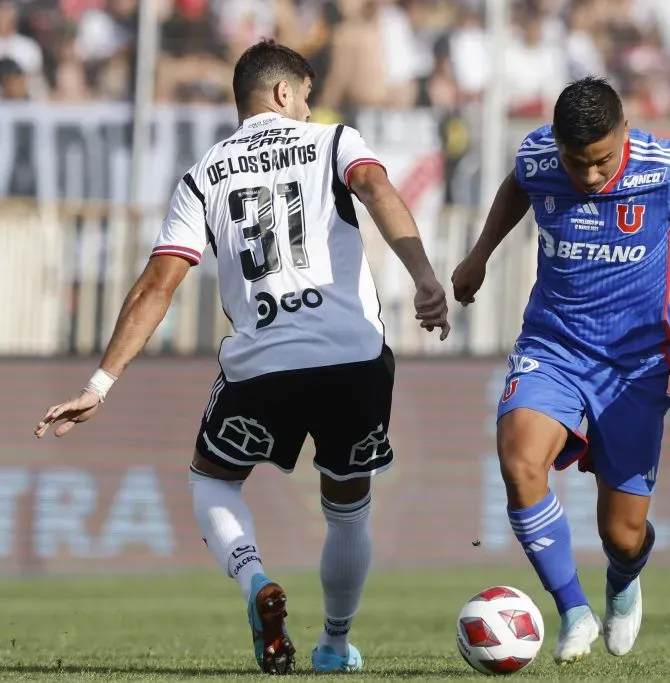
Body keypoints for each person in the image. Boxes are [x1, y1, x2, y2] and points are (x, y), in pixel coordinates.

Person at [34, 40, 450, 675]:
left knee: (212, 478)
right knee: (346, 505)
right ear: (283, 94)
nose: (309, 109)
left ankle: (255, 579)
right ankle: (335, 645)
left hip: (263, 364)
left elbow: (157, 285)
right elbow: (374, 185)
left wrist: (100, 382)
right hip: (354, 358)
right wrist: (422, 273)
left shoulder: (204, 174)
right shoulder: (335, 142)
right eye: (305, 97)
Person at [451, 76, 670, 663]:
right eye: (576, 162)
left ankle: (623, 581)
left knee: (622, 533)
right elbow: (519, 184)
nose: (589, 175)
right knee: (518, 460)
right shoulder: (540, 155)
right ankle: (572, 609)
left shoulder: (668, 166)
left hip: (634, 366)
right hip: (552, 346)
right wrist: (478, 255)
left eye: (602, 161)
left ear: (624, 134)